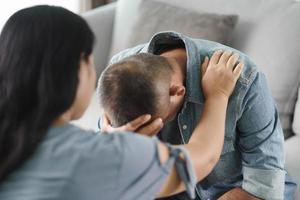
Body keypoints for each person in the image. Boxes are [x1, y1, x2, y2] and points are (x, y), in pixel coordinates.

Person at [0, 6, 243, 200]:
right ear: (78, 70)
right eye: (90, 61)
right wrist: (218, 95)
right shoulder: (108, 157)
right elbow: (203, 158)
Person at [98, 31, 297, 200]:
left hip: (237, 189)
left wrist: (217, 96)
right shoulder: (118, 76)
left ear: (177, 92)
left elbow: (265, 178)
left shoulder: (243, 78)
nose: (151, 131)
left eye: (156, 124)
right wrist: (115, 137)